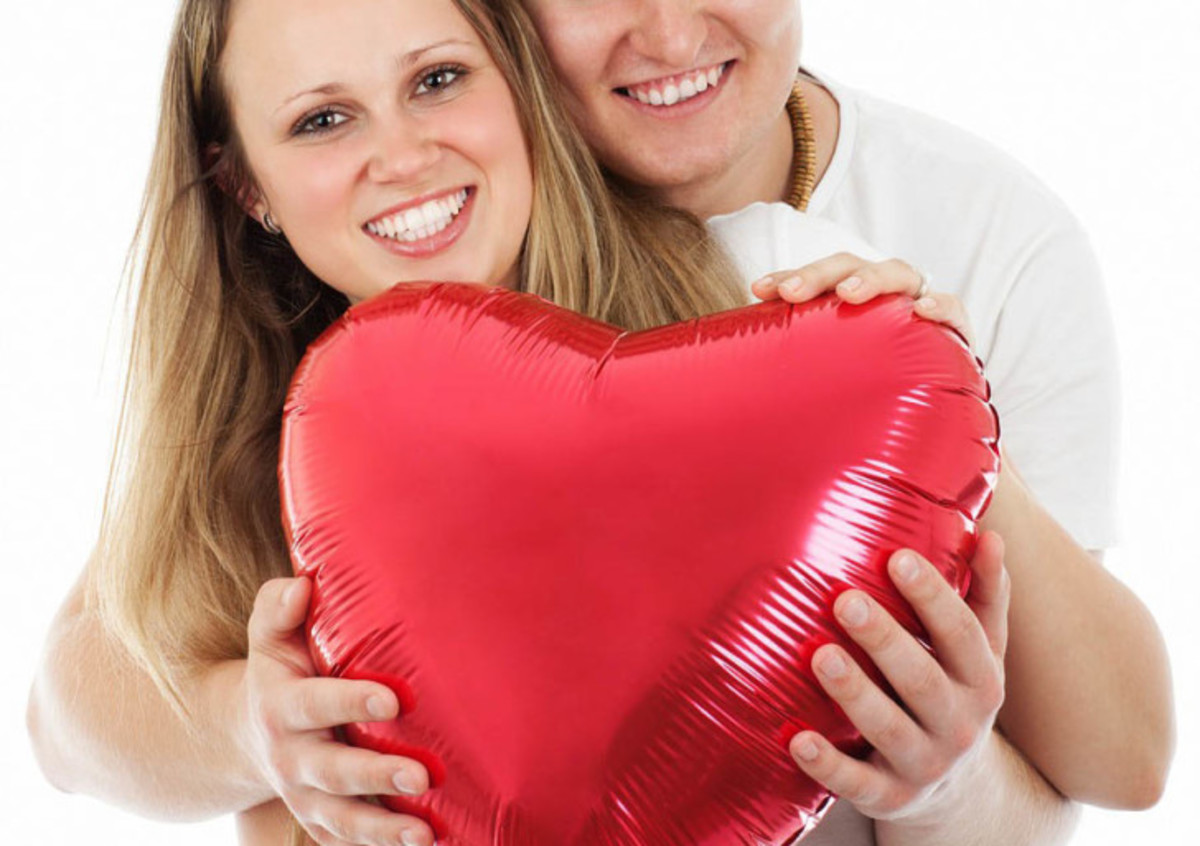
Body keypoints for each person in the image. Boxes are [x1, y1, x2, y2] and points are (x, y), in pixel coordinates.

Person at [22, 4, 1163, 846]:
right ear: (245, 185)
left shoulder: (766, 298)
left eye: (438, 80)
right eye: (322, 120)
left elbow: (1114, 764)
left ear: (510, 78)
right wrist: (249, 729)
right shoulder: (300, 418)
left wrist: (934, 390)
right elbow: (67, 717)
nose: (402, 155)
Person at [514, 0, 1176, 837]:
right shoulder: (451, 212)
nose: (672, 37)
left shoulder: (994, 232)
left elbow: (1117, 765)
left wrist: (933, 405)